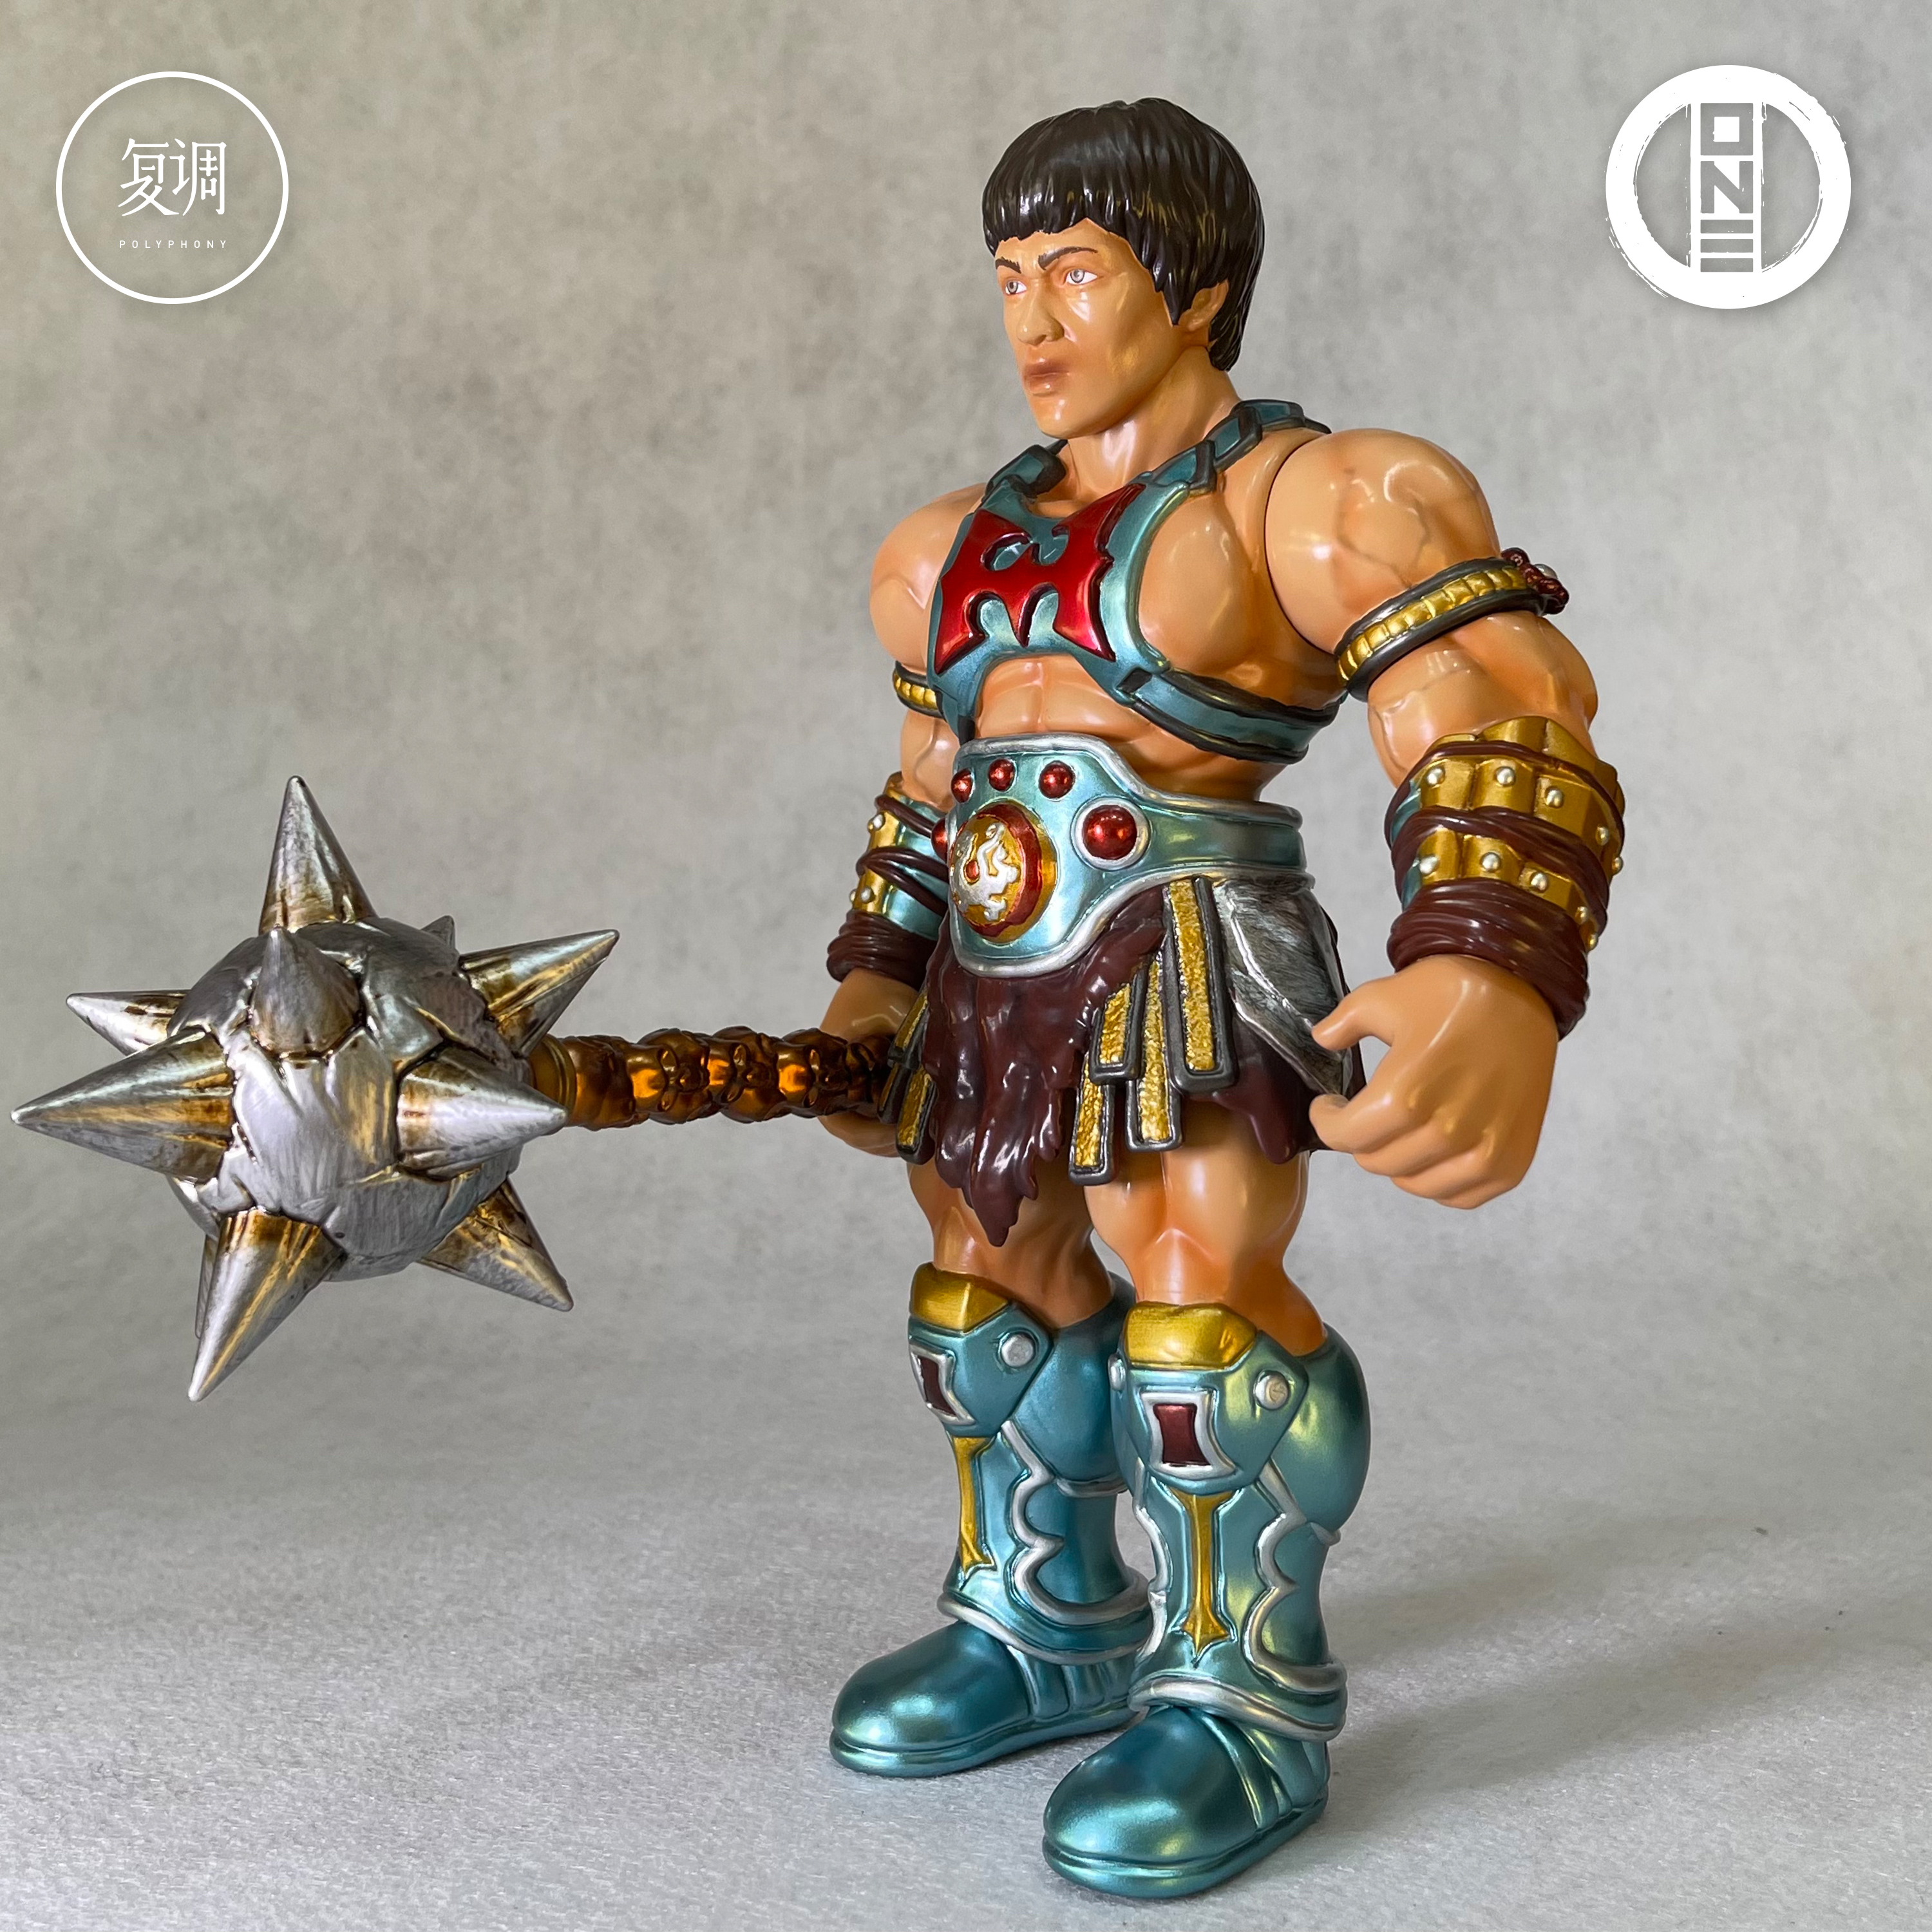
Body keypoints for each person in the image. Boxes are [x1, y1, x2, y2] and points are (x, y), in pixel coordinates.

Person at [815, 97, 1622, 1900]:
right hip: (995, 963)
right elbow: (930, 793)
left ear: (1197, 290)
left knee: (1195, 1291)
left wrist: (1489, 966)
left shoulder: (1317, 503)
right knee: (980, 1284)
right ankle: (1043, 1616)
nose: (1033, 320)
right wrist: (876, 980)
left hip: (1188, 938)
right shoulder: (943, 549)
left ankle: (1240, 1690)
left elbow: (1501, 710)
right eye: (1010, 278)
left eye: (1076, 271)